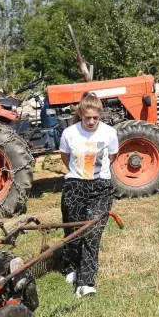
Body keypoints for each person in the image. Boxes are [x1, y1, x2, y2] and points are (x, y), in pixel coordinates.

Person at [58, 92, 119, 298]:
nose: (92, 121)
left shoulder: (109, 133)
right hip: (75, 186)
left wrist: (96, 176)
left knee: (93, 233)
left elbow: (112, 156)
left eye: (95, 118)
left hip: (101, 188)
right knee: (74, 231)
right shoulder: (69, 133)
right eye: (87, 118)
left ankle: (86, 283)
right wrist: (78, 175)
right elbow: (65, 158)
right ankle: (71, 267)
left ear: (100, 115)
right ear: (80, 115)